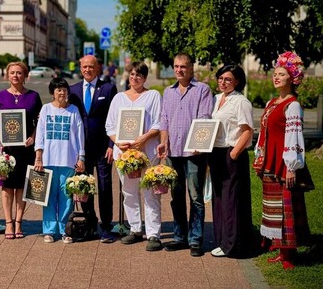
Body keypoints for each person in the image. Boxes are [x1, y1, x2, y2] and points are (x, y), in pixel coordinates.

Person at [253, 51, 309, 270]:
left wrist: (291, 167)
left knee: (287, 212)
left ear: (292, 78)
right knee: (273, 208)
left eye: (282, 74)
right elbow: (264, 133)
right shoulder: (272, 102)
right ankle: (280, 249)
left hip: (284, 163)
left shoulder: (292, 105)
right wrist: (259, 157)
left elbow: (294, 136)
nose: (276, 77)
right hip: (269, 161)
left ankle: (289, 256)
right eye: (275, 74)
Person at [157, 53, 213, 257]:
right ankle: (180, 237)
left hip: (193, 152)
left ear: (191, 69)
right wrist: (163, 142)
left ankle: (196, 239)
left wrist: (200, 143)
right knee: (176, 196)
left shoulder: (202, 90)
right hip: (173, 152)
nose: (179, 70)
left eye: (183, 67)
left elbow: (204, 118)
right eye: (176, 66)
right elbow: (164, 120)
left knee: (196, 196)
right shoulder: (168, 92)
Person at [105, 61, 163, 251]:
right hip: (124, 154)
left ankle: (153, 233)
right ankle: (135, 228)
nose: (135, 78)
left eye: (139, 75)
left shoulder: (153, 96)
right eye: (132, 74)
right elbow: (110, 126)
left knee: (150, 193)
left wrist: (144, 138)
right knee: (129, 192)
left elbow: (158, 122)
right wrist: (117, 141)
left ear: (145, 78)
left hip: (146, 153)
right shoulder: (119, 98)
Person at [0, 62, 42, 239]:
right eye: (12, 73)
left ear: (25, 75)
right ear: (7, 75)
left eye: (19, 73)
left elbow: (40, 122)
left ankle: (19, 222)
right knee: (6, 187)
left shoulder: (34, 97)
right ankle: (8, 223)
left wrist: (34, 137)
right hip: (6, 150)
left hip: (25, 149)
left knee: (21, 187)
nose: (15, 76)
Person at [69, 55, 117, 243]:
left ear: (98, 68)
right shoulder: (73, 90)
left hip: (103, 148)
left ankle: (106, 226)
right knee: (84, 187)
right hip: (82, 150)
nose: (87, 70)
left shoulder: (108, 88)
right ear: (80, 68)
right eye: (84, 67)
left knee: (105, 187)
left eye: (91, 67)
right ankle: (90, 223)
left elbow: (114, 118)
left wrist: (112, 145)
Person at [208, 65, 254, 258]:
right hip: (215, 152)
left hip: (231, 152)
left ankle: (233, 244)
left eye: (227, 79)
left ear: (237, 81)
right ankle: (222, 240)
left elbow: (248, 130)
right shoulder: (216, 99)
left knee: (232, 200)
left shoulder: (241, 102)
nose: (223, 82)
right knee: (218, 198)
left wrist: (233, 154)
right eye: (220, 78)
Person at [34, 78, 85, 244]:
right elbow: (40, 135)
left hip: (68, 160)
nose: (61, 93)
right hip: (48, 160)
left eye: (64, 89)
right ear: (52, 93)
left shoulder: (74, 110)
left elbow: (80, 136)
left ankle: (65, 229)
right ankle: (48, 230)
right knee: (48, 197)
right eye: (58, 90)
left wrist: (81, 157)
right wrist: (38, 157)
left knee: (66, 197)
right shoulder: (46, 109)